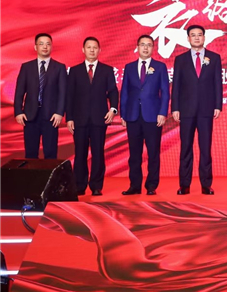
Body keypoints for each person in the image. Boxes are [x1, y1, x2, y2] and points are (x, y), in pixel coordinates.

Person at [172, 25, 223, 195]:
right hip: (186, 110)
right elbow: (176, 86)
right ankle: (184, 184)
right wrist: (175, 108)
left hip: (206, 110)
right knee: (186, 148)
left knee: (205, 148)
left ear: (204, 37)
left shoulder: (214, 58)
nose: (196, 38)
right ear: (188, 38)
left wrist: (217, 105)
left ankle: (206, 184)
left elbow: (217, 83)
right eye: (193, 35)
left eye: (199, 35)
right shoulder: (180, 59)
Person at [66, 37, 119, 196]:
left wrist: (113, 110)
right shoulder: (74, 71)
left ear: (99, 50)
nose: (92, 50)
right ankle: (79, 185)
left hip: (99, 119)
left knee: (98, 153)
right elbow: (70, 96)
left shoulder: (107, 70)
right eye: (89, 47)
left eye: (95, 47)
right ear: (83, 49)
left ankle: (96, 186)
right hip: (79, 119)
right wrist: (69, 118)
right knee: (80, 153)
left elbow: (113, 91)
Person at [120, 35, 169, 196]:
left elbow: (165, 92)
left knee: (153, 152)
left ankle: (151, 185)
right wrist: (123, 114)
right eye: (142, 45)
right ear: (137, 47)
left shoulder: (160, 67)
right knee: (134, 154)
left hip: (153, 116)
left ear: (153, 48)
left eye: (149, 45)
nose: (145, 48)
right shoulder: (129, 67)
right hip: (133, 115)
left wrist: (162, 112)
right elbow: (125, 92)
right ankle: (134, 185)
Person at [14, 33, 66, 159]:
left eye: (48, 44)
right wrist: (18, 112)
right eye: (41, 44)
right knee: (30, 154)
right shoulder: (26, 67)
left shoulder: (59, 67)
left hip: (51, 117)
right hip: (30, 116)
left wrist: (59, 112)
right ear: (35, 47)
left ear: (51, 47)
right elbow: (19, 91)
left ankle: (50, 174)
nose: (45, 47)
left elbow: (63, 92)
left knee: (50, 153)